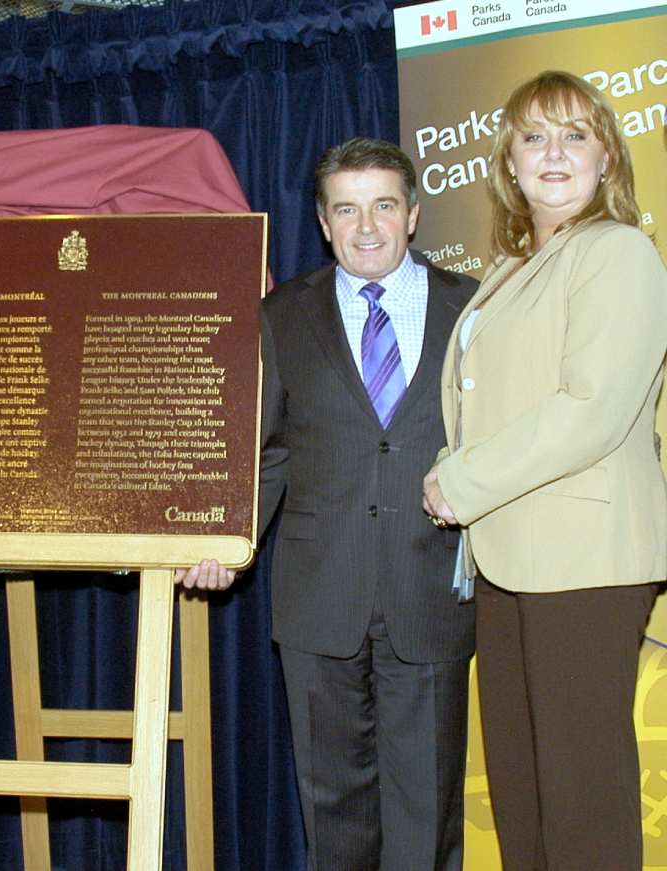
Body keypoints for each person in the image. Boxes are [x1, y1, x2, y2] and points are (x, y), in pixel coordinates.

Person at [423, 70, 667, 870]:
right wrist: (452, 466)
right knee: (524, 796)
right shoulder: (514, 267)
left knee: (581, 803)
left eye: (574, 134)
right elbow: (497, 402)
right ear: (509, 161)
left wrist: (460, 480)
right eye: (534, 136)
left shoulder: (620, 252)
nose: (553, 153)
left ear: (607, 158)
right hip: (510, 557)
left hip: (584, 560)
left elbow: (590, 409)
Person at [261, 137, 477, 870]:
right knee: (333, 817)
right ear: (323, 223)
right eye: (346, 209)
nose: (367, 226)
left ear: (413, 213)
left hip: (432, 593)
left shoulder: (473, 307)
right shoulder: (280, 314)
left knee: (428, 816)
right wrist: (209, 540)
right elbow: (263, 453)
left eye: (383, 205)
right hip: (318, 598)